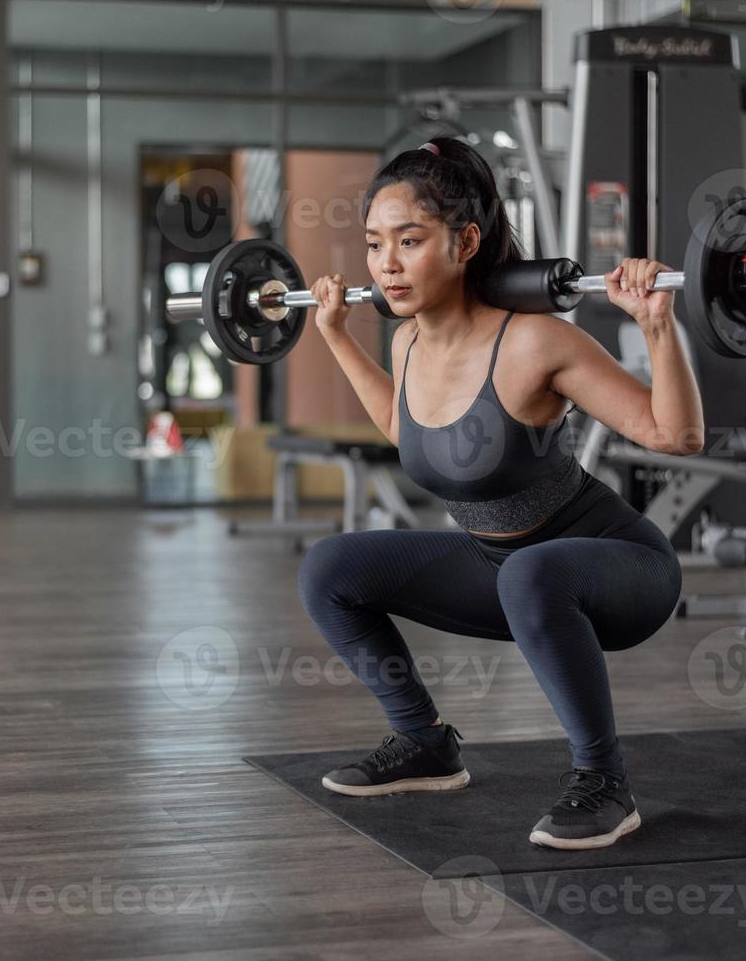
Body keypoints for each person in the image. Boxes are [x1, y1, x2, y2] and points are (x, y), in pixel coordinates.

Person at [297, 137, 702, 851]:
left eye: (409, 240)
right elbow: (405, 426)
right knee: (330, 569)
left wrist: (657, 326)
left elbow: (675, 435)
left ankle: (605, 781)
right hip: (504, 572)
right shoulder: (409, 341)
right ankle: (425, 743)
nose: (386, 264)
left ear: (466, 242)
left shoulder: (535, 342)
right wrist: (333, 334)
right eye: (374, 244)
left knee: (531, 571)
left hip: (620, 571)